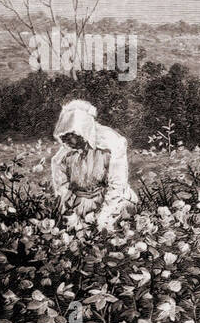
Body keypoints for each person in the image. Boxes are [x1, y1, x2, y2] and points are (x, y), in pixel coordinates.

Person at [51, 99, 138, 230]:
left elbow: (117, 185)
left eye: (70, 135)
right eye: (63, 136)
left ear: (82, 131)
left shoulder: (110, 144)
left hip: (111, 200)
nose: (65, 140)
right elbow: (62, 187)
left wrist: (103, 216)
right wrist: (69, 210)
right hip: (80, 203)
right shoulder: (63, 156)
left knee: (108, 228)